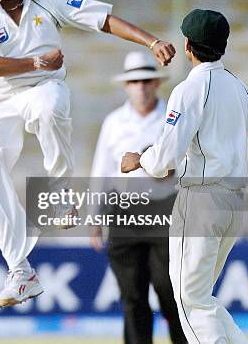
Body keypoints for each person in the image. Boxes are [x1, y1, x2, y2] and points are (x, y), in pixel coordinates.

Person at [0, 0, 176, 308]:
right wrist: (36, 62)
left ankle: (60, 198)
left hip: (43, 88)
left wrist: (150, 41)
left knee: (50, 104)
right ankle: (20, 270)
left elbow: (102, 19)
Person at [121, 9, 248, 343]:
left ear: (187, 45)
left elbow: (165, 159)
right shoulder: (239, 87)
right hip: (233, 201)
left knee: (191, 302)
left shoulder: (189, 89)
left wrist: (138, 159)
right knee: (201, 299)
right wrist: (225, 150)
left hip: (201, 201)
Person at [90, 51, 186, 344]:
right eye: (134, 81)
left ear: (156, 83)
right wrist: (94, 219)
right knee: (132, 295)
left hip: (165, 209)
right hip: (123, 211)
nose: (141, 86)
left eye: (146, 80)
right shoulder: (113, 122)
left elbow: (187, 165)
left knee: (169, 290)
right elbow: (102, 171)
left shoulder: (173, 117)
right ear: (126, 86)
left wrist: (167, 171)